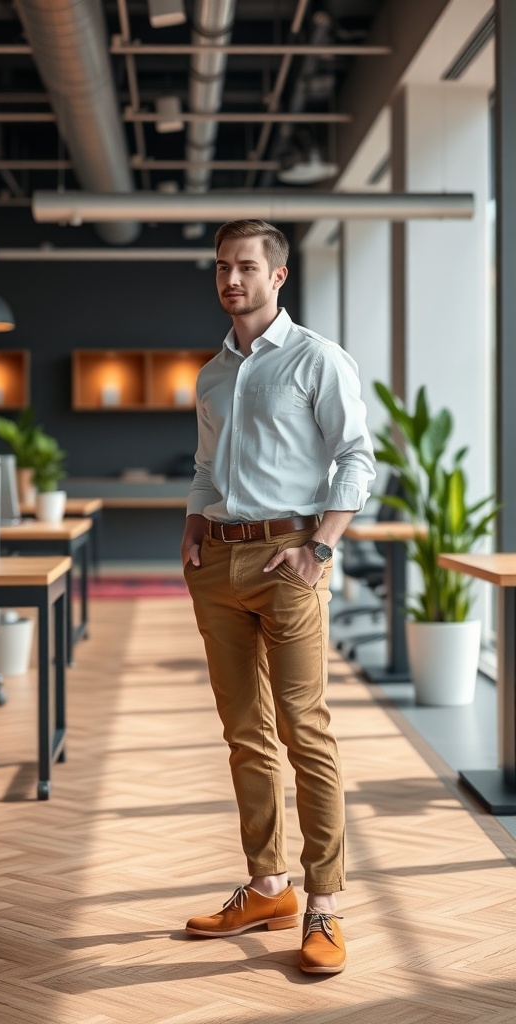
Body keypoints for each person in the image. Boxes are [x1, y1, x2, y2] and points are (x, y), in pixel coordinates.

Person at [181, 219, 375, 975]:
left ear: (278, 276)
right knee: (244, 733)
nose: (231, 279)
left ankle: (322, 905)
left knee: (305, 730)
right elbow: (206, 466)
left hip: (289, 559)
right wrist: (194, 529)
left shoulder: (316, 358)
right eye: (222, 267)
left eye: (246, 267)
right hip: (218, 564)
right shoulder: (212, 374)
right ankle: (268, 887)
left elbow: (355, 457)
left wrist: (319, 546)